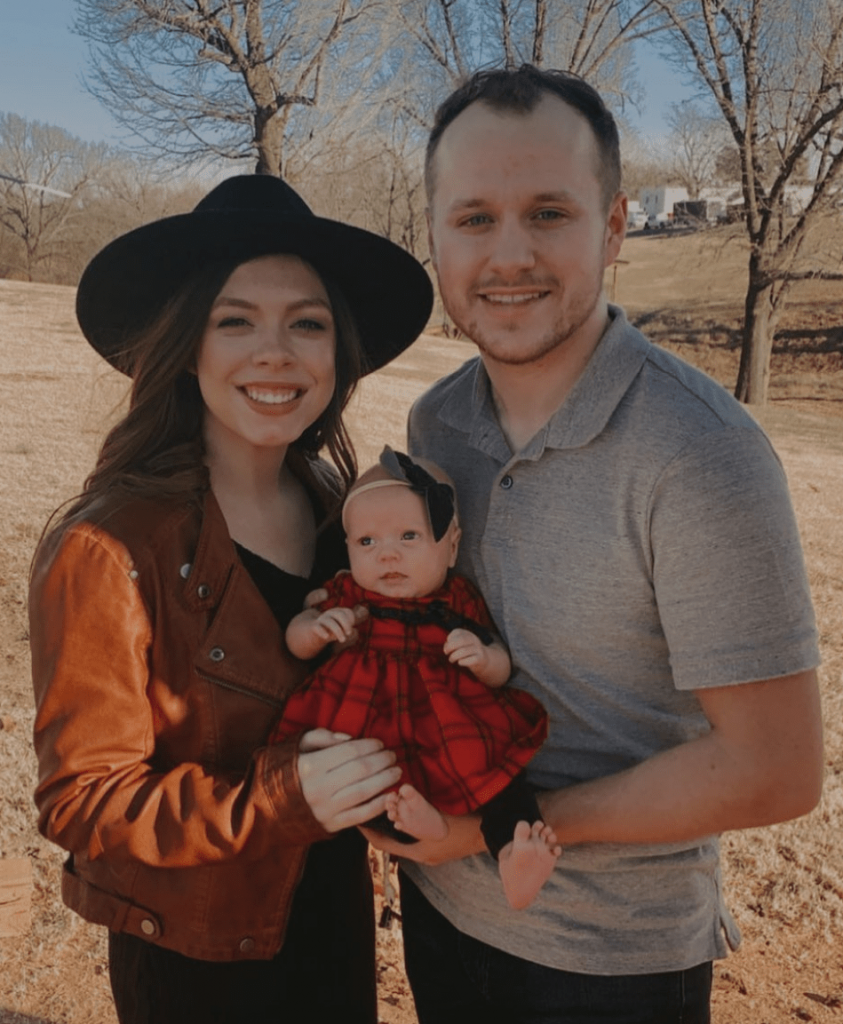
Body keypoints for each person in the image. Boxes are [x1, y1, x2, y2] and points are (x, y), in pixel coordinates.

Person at [364, 65, 824, 1023]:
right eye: (474, 217)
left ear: (612, 229)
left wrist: (500, 828)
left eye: (548, 212)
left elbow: (775, 768)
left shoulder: (701, 454)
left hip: (609, 963)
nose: (509, 254)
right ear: (434, 236)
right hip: (439, 911)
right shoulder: (434, 427)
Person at [28, 173, 434, 1024]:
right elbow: (82, 799)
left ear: (339, 351)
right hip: (198, 959)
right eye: (235, 320)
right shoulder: (112, 546)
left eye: (307, 323)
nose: (275, 353)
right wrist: (275, 803)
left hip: (330, 922)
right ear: (188, 344)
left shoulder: (341, 512)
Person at [269, 446, 557, 909]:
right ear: (348, 549)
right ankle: (417, 827)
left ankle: (515, 850)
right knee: (361, 780)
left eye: (409, 536)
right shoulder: (347, 591)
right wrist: (314, 630)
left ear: (452, 544)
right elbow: (295, 639)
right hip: (369, 713)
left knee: (495, 770)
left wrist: (482, 658)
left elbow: (500, 664)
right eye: (367, 542)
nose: (387, 556)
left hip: (444, 714)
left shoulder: (456, 598)